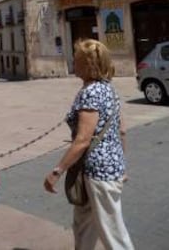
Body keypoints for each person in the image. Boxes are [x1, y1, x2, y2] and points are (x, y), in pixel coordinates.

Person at [43, 39, 134, 250]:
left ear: (89, 65)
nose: (74, 63)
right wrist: (122, 165)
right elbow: (121, 130)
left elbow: (82, 140)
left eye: (77, 60)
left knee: (113, 234)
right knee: (83, 227)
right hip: (105, 169)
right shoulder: (108, 89)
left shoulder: (91, 93)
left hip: (98, 174)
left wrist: (57, 172)